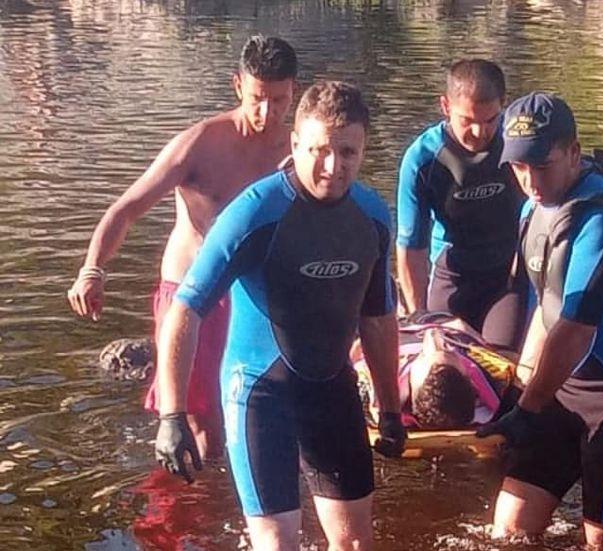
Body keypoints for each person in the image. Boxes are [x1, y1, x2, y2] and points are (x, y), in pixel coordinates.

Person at [152, 81, 405, 550]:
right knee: (278, 542)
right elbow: (185, 307)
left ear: (364, 148)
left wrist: (390, 408)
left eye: (348, 152)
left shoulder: (371, 215)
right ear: (294, 145)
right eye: (319, 150)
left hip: (331, 390)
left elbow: (378, 316)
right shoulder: (255, 213)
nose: (333, 166)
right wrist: (173, 414)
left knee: (355, 543)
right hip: (259, 393)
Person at [66, 36, 298, 460]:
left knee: (262, 415)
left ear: (293, 93)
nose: (268, 113)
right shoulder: (200, 143)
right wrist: (92, 269)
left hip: (258, 295)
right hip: (194, 292)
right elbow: (127, 208)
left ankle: (238, 512)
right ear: (237, 86)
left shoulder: (298, 150)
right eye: (257, 99)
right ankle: (184, 517)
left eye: (279, 100)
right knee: (198, 422)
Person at [477, 92, 603, 551]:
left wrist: (529, 408)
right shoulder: (531, 211)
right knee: (510, 531)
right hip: (558, 387)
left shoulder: (602, 218)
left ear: (574, 153)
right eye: (519, 168)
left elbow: (576, 330)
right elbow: (545, 312)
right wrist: (517, 397)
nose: (530, 180)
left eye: (542, 165)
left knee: (602, 540)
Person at [396, 59, 527, 354]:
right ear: (445, 106)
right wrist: (420, 317)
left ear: (503, 106)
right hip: (452, 279)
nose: (480, 133)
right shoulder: (423, 159)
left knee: (499, 363)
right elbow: (411, 247)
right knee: (448, 359)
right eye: (467, 121)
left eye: (490, 120)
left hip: (506, 277)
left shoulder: (517, 142)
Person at [353, 317, 520, 430]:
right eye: (448, 351)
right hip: (453, 325)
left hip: (411, 323)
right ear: (471, 379)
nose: (432, 335)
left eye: (425, 355)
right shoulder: (494, 384)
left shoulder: (378, 379)